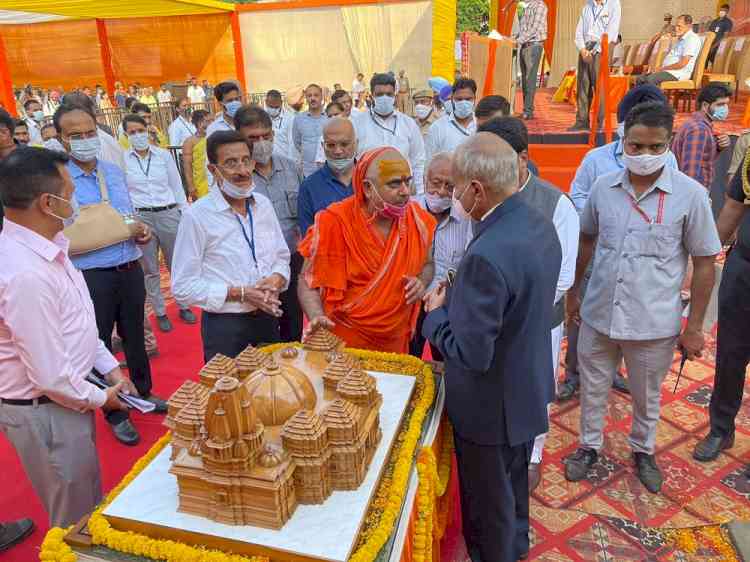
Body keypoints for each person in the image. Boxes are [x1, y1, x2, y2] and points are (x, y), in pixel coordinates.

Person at [564, 101, 721, 494]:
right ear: (623, 141)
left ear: (669, 144)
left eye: (655, 147)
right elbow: (586, 239)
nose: (645, 155)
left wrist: (696, 327)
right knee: (593, 385)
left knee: (647, 394)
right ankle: (589, 445)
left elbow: (704, 262)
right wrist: (574, 295)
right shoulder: (603, 188)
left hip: (653, 323)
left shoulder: (691, 195)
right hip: (599, 312)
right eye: (636, 146)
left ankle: (643, 449)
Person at [423, 133, 561, 562]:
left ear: (476, 190)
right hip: (527, 386)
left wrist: (437, 316)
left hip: (489, 408)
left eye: (456, 186)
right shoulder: (537, 222)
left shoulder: (487, 252)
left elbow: (472, 353)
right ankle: (515, 546)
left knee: (488, 508)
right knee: (514, 491)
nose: (453, 196)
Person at [0, 147, 133, 527]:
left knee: (88, 500)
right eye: (70, 194)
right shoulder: (25, 272)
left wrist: (107, 367)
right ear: (48, 202)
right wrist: (101, 398)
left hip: (65, 398)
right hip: (47, 407)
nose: (74, 202)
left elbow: (76, 324)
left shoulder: (47, 249)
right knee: (74, 518)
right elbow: (48, 373)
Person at [54, 103, 166, 446]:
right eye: (76, 135)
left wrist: (139, 228)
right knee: (96, 342)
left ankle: (143, 393)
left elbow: (125, 216)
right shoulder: (59, 179)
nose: (86, 140)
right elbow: (61, 230)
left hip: (128, 264)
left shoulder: (112, 171)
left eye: (90, 132)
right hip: (89, 274)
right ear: (61, 138)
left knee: (135, 334)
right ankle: (114, 410)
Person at [478, 116, 579, 492]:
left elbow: (563, 277)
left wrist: (513, 308)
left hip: (537, 321)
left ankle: (532, 454)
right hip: (488, 319)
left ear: (523, 158)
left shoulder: (556, 205)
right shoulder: (479, 192)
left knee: (535, 385)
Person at [560, 85, 677, 401]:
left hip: (642, 257)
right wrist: (606, 215)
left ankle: (613, 371)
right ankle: (573, 374)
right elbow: (577, 194)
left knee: (629, 314)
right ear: (623, 127)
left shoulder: (669, 161)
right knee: (582, 314)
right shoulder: (596, 159)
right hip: (599, 250)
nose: (645, 154)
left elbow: (672, 197)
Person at [298, 147, 435, 353]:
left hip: (395, 342)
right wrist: (317, 315)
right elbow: (307, 281)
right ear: (368, 188)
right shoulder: (334, 222)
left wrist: (421, 282)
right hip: (344, 342)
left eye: (408, 181)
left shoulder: (419, 221)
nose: (406, 191)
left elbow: (428, 264)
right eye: (395, 183)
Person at [172, 131, 290, 361]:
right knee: (229, 394)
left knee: (272, 393)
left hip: (267, 318)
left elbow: (282, 256)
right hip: (226, 327)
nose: (243, 171)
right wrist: (240, 294)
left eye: (246, 160)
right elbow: (182, 287)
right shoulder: (197, 216)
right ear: (213, 170)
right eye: (231, 163)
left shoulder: (263, 205)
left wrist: (277, 278)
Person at [693, 153, 750, 462]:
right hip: (744, 270)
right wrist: (703, 260)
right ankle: (720, 429)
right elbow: (732, 210)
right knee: (730, 355)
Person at [235, 105, 304, 342]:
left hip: (293, 261)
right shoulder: (237, 178)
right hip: (256, 268)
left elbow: (304, 217)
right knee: (263, 333)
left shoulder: (292, 168)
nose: (261, 142)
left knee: (293, 324)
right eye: (253, 138)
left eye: (266, 136)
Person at [122, 114, 196, 332]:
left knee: (177, 263)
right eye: (132, 132)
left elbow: (176, 185)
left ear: (148, 130)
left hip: (168, 213)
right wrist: (130, 221)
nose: (137, 135)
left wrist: (184, 213)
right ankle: (161, 311)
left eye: (140, 130)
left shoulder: (163, 156)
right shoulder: (123, 160)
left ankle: (183, 305)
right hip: (142, 217)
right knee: (150, 268)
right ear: (126, 135)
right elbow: (124, 193)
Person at [410, 152, 472, 359]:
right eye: (436, 183)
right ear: (424, 180)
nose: (441, 192)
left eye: (450, 186)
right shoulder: (408, 212)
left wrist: (448, 287)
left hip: (446, 307)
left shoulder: (466, 220)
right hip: (410, 304)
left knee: (446, 364)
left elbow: (467, 266)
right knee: (409, 361)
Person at [354, 73, 426, 193]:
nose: (384, 98)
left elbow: (418, 161)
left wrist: (420, 193)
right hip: (368, 194)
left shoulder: (408, 124)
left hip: (402, 194)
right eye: (379, 94)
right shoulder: (357, 124)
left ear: (395, 96)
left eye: (389, 94)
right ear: (372, 96)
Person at [298, 117, 356, 235]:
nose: (338, 151)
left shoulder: (370, 179)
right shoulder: (309, 187)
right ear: (322, 146)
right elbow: (309, 241)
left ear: (356, 144)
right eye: (331, 145)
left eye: (344, 144)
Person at [570, 0, 621, 131]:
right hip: (586, 47)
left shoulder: (614, 4)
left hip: (602, 47)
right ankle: (582, 121)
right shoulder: (588, 5)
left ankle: (598, 123)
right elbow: (578, 32)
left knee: (599, 87)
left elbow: (611, 31)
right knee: (582, 85)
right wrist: (582, 49)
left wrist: (593, 52)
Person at [671, 84, 731, 191]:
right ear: (705, 105)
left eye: (726, 104)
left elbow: (704, 158)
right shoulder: (698, 129)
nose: (725, 108)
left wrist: (718, 147)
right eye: (720, 104)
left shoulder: (699, 125)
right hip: (693, 193)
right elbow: (690, 173)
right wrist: (694, 200)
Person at [637, 15, 702, 86]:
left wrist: (662, 69)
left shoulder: (691, 39)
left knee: (650, 79)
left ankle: (653, 97)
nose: (676, 29)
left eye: (679, 26)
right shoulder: (681, 39)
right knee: (640, 78)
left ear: (689, 26)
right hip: (668, 71)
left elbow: (683, 63)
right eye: (676, 26)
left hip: (678, 73)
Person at [425, 78, 478, 162]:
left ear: (475, 99)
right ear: (452, 99)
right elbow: (428, 162)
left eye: (468, 99)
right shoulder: (437, 128)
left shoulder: (481, 125)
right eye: (459, 99)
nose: (463, 103)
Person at [514, 0, 548, 120]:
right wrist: (512, 38)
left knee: (530, 79)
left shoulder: (540, 5)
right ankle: (526, 109)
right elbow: (523, 29)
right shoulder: (525, 6)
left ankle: (528, 111)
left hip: (533, 45)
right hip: (524, 45)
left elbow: (534, 28)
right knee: (524, 79)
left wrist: (518, 40)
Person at [293, 84, 327, 177]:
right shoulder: (299, 119)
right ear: (306, 98)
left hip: (328, 169)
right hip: (308, 171)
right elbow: (297, 142)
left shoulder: (329, 117)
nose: (312, 98)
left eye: (316, 95)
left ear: (321, 96)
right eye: (309, 95)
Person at [181, 109, 211, 200]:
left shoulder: (214, 137)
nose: (210, 124)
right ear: (199, 123)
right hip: (200, 182)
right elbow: (187, 166)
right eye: (207, 121)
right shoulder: (189, 142)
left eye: (211, 120)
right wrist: (191, 186)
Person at [265, 89, 295, 159]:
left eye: (276, 107)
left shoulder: (290, 118)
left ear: (281, 103)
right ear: (266, 102)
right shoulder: (261, 117)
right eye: (271, 107)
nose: (273, 110)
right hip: (267, 161)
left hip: (284, 161)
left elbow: (292, 144)